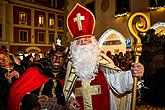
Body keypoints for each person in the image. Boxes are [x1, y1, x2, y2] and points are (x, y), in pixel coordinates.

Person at [63, 3, 144, 110]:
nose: (83, 44)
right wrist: (71, 99)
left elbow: (117, 81)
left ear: (93, 43)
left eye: (86, 40)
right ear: (74, 47)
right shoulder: (72, 65)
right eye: (79, 41)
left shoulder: (102, 62)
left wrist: (133, 74)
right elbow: (69, 90)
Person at [8, 44, 67, 110]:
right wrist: (35, 99)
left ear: (64, 60)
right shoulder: (38, 69)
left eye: (61, 57)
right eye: (54, 56)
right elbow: (17, 92)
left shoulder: (65, 74)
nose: (57, 60)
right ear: (49, 57)